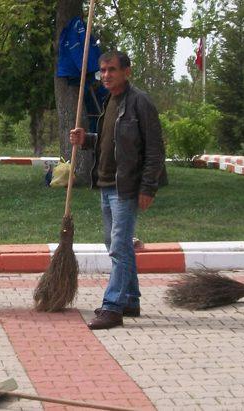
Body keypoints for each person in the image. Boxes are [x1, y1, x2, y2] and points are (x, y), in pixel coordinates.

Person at [69, 51, 167, 330]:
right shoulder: (110, 100)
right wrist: (86, 139)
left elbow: (155, 149)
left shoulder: (140, 102)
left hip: (126, 187)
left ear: (127, 71)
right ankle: (131, 299)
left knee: (119, 248)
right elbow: (111, 141)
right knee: (115, 245)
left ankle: (112, 307)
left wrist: (148, 187)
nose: (106, 75)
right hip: (106, 182)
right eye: (102, 71)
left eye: (112, 69)